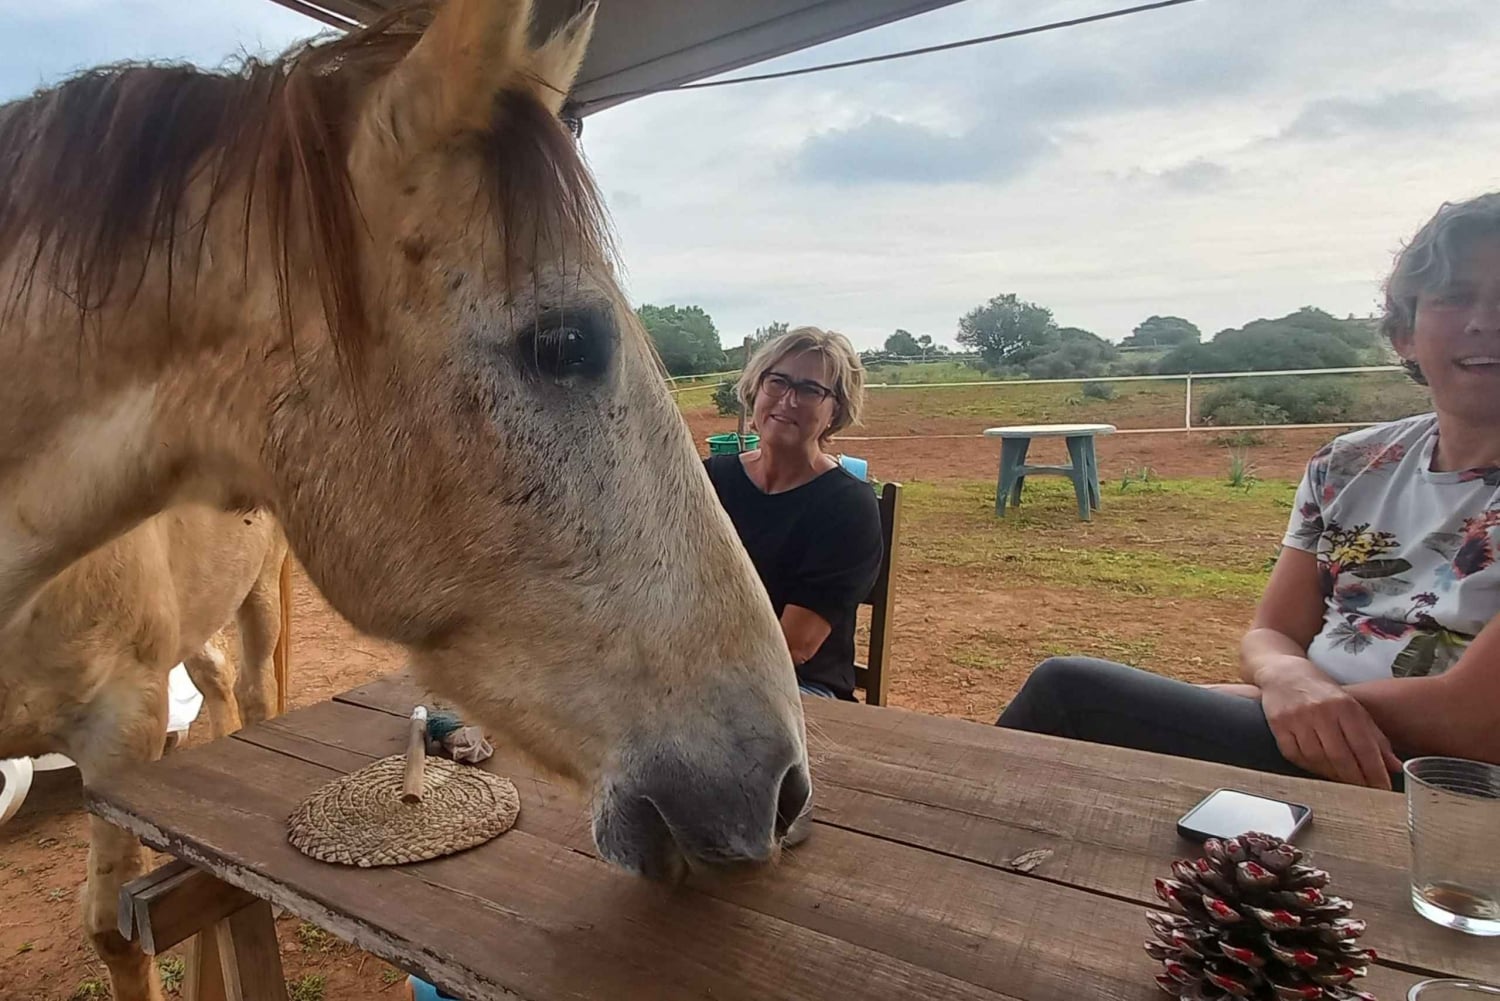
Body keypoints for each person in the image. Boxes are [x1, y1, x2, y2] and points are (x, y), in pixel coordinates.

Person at [997, 192, 1500, 789]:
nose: (1484, 321)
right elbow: (1272, 633)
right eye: (1453, 297)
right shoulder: (1350, 465)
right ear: (1404, 335)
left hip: (1441, 784)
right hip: (1309, 733)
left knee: (1072, 698)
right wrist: (1288, 680)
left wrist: (1273, 705)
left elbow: (1474, 721)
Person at [704, 327, 883, 701]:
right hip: (691, 676)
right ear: (756, 388)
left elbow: (793, 646)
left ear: (836, 411)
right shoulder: (707, 481)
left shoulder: (848, 507)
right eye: (778, 381)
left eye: (810, 390)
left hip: (797, 688)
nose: (788, 400)